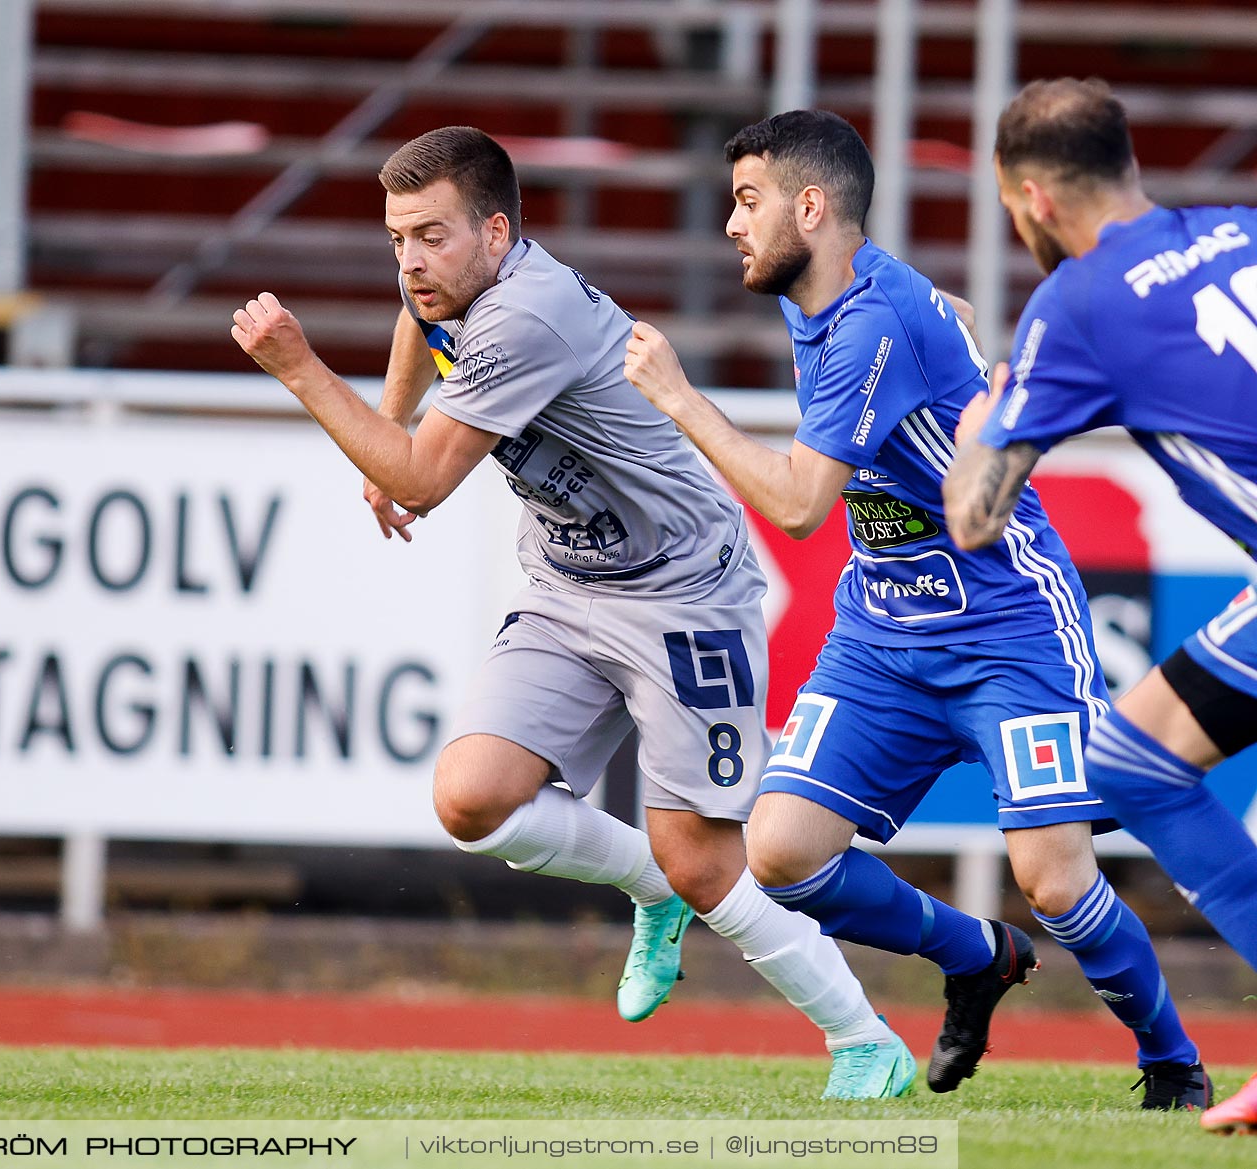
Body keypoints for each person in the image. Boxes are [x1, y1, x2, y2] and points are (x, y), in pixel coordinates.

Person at [232, 125, 912, 1098]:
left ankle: (863, 1037)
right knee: (471, 796)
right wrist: (386, 419)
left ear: (498, 233)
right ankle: (650, 888)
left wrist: (301, 369)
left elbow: (423, 480)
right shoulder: (445, 283)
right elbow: (415, 333)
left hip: (684, 591)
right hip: (568, 583)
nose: (412, 261)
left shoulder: (525, 318)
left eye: (432, 236)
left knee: (706, 860)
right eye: (397, 238)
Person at [621, 108, 1208, 1108]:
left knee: (1057, 881)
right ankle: (977, 954)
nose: (731, 224)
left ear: (813, 207)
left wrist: (678, 397)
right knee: (782, 853)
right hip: (883, 631)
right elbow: (936, 333)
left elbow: (803, 505)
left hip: (1006, 625)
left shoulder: (870, 321)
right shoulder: (844, 288)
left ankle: (1172, 1061)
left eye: (748, 201)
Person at [944, 76, 1256, 1132]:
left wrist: (987, 394)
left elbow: (976, 515)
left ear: (1029, 197)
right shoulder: (1237, 227)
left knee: (1136, 767)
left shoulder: (1076, 302)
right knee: (1132, 756)